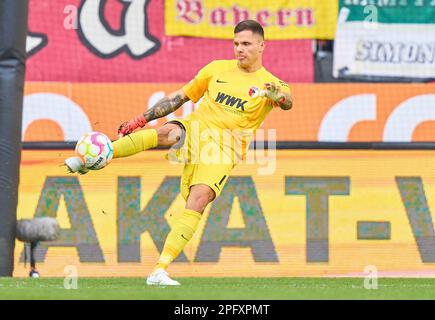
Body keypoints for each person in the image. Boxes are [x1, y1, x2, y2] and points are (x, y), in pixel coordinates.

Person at [64, 20, 293, 286]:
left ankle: (159, 270)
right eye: (236, 43)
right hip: (197, 129)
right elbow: (179, 98)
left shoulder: (272, 84)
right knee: (168, 133)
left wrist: (278, 96)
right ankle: (100, 156)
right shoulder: (216, 69)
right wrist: (141, 118)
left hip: (224, 149)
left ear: (261, 45)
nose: (239, 49)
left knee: (198, 200)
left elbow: (287, 102)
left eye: (246, 44)